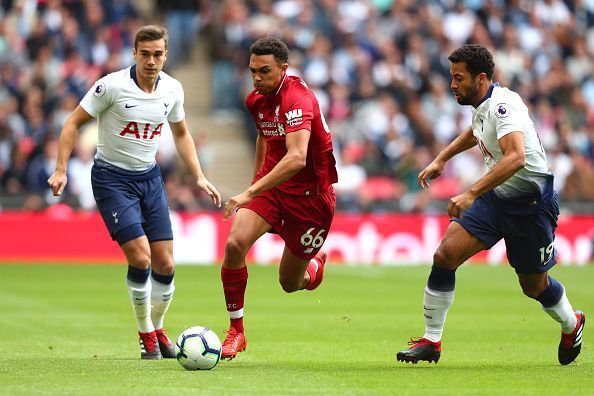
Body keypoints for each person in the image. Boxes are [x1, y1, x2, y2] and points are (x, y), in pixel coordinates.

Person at [396, 44, 585, 365]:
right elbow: (476, 131)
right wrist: (442, 157)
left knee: (534, 286)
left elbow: (516, 157)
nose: (452, 84)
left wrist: (470, 193)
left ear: (480, 78)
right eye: (451, 77)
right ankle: (432, 340)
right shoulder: (484, 106)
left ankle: (572, 322)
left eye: (458, 78)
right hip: (497, 198)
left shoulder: (503, 108)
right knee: (444, 255)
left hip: (532, 205)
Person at [47, 25, 221, 360]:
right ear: (134, 54)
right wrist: (60, 168)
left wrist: (198, 175)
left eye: (158, 54)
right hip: (112, 179)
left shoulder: (172, 90)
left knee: (166, 263)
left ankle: (157, 328)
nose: (152, 61)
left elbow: (182, 133)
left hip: (150, 178)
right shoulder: (110, 86)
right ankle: (145, 335)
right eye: (146, 54)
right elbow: (72, 123)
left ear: (165, 55)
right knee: (141, 257)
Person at [219, 37, 338, 360]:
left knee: (289, 282)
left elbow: (297, 158)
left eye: (265, 71)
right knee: (234, 245)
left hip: (311, 199)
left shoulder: (297, 98)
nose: (256, 78)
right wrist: (256, 181)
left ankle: (314, 267)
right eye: (252, 71)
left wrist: (249, 192)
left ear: (283, 69)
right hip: (273, 188)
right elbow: (264, 135)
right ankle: (236, 332)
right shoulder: (256, 99)